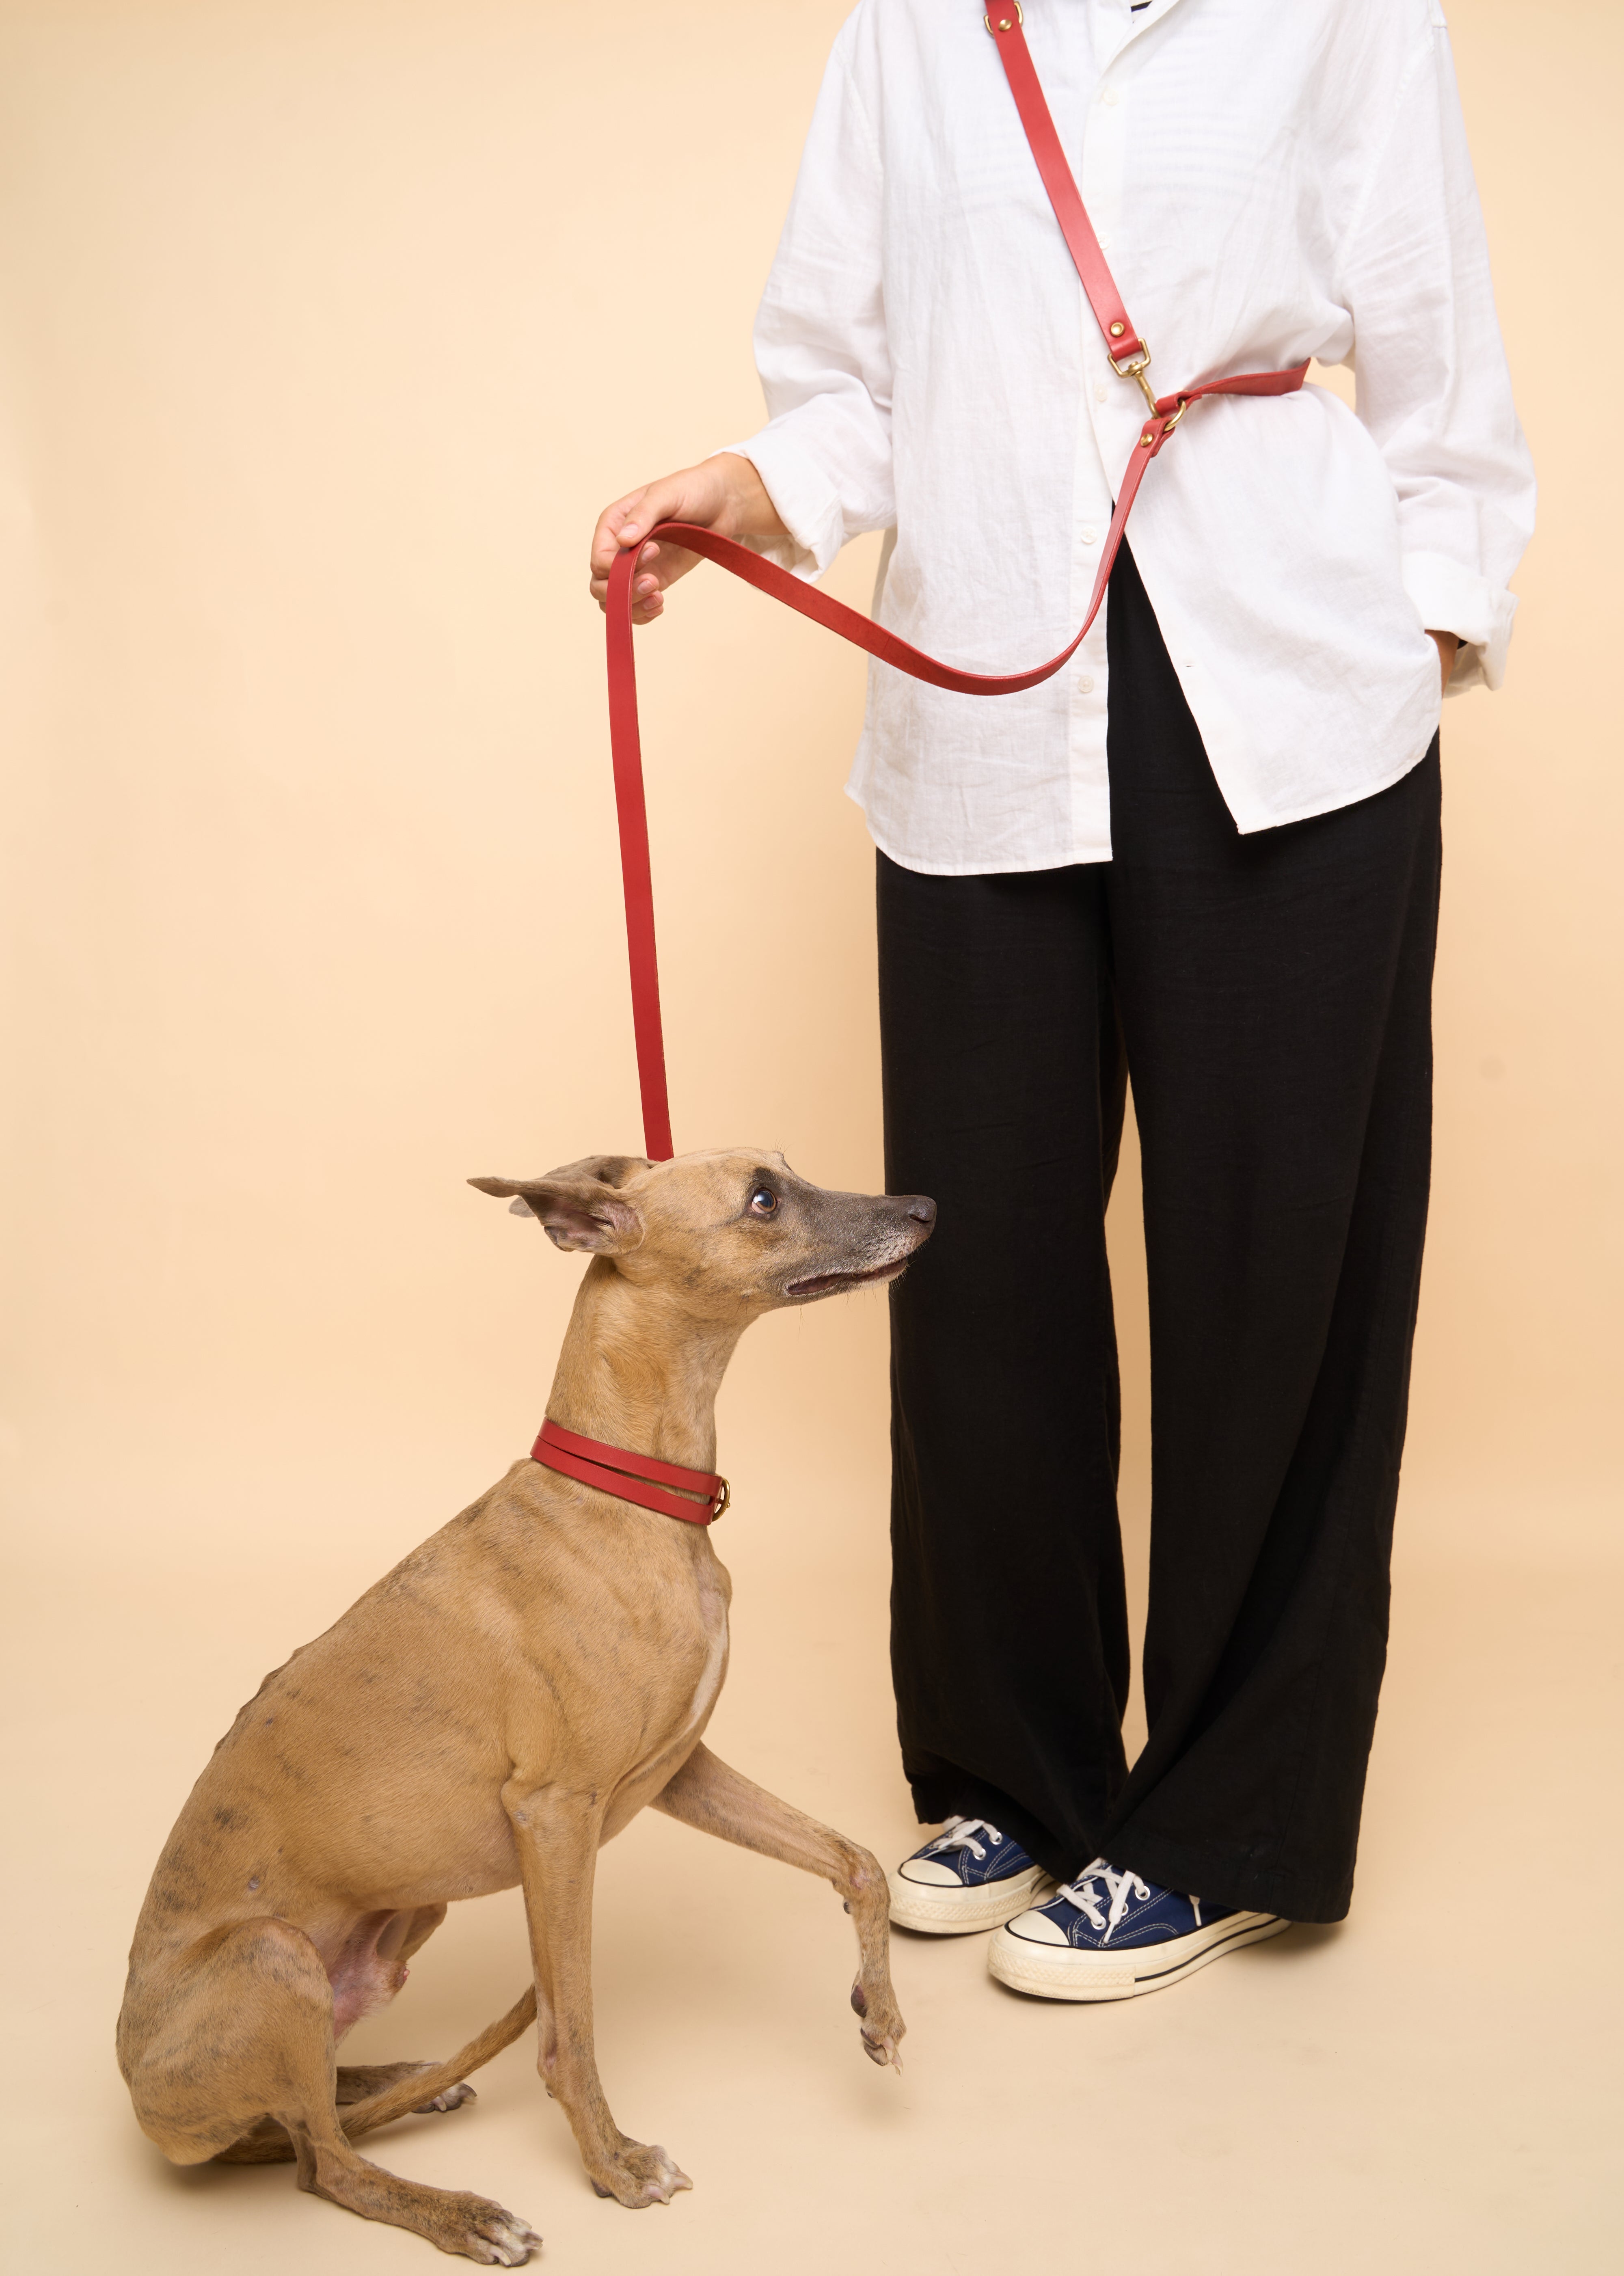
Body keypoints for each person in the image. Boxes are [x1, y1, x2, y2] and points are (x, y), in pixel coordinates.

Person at [589, 0, 1532, 2003]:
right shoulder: (908, 30)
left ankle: (1223, 1823)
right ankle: (1012, 1777)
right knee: (979, 1257)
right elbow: (848, 384)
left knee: (1280, 1264)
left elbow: (1435, 351)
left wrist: (1418, 622)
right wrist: (743, 481)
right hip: (979, 705)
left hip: (1282, 696)